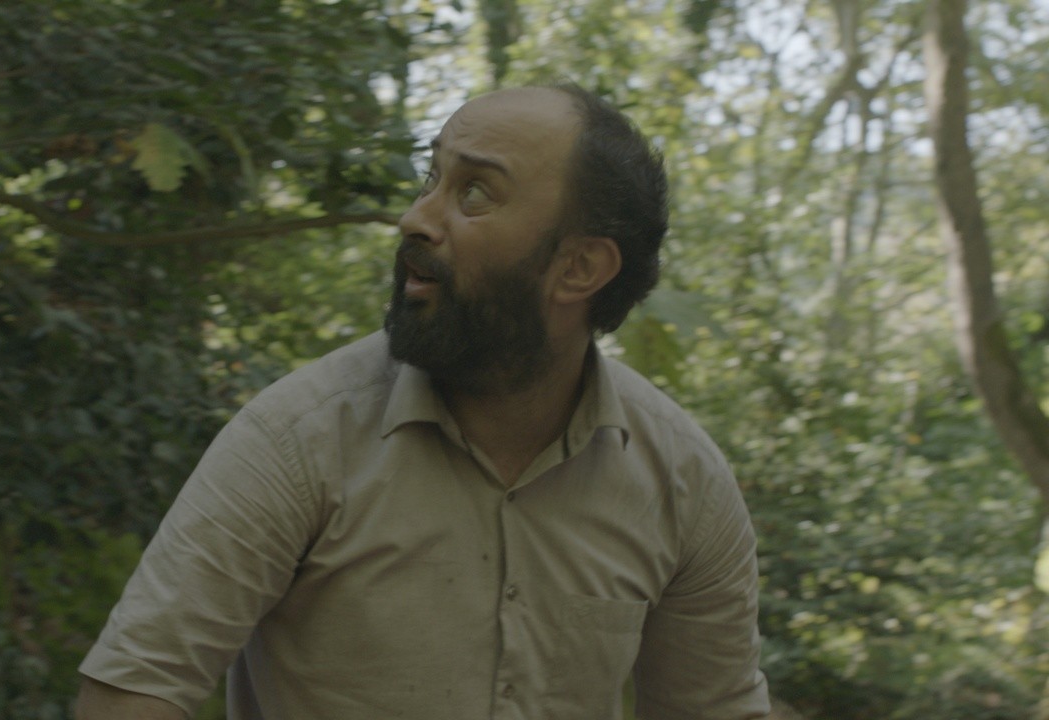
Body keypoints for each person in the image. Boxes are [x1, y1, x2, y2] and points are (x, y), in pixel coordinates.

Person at [76, 83, 771, 720]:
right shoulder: (297, 439)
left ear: (579, 268)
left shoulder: (682, 481)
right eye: (431, 178)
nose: (416, 218)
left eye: (475, 194)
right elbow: (135, 688)